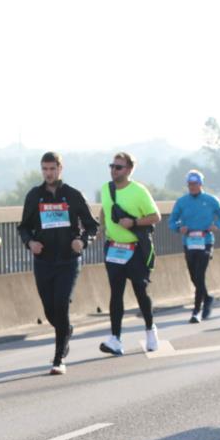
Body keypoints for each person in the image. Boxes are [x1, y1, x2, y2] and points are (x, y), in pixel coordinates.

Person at [17, 152, 99, 374]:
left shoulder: (73, 195)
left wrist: (82, 241)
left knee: (62, 305)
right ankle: (66, 330)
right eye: (45, 169)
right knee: (50, 311)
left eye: (52, 169)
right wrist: (30, 242)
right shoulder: (34, 196)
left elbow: (92, 225)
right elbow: (23, 227)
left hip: (68, 260)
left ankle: (58, 359)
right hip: (43, 261)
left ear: (60, 169)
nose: (48, 173)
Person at [98, 152, 161, 356]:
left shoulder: (139, 191)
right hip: (114, 248)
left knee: (140, 292)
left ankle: (150, 330)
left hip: (135, 250)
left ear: (129, 170)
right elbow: (105, 210)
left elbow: (155, 216)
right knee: (115, 294)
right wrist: (100, 229)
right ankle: (115, 339)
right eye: (112, 166)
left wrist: (133, 222)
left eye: (119, 167)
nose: (114, 170)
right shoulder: (106, 189)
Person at [168, 170, 220, 323]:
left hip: (205, 240)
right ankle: (207, 297)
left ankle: (196, 311)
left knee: (200, 274)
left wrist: (217, 225)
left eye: (194, 184)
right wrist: (178, 228)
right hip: (189, 242)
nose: (192, 187)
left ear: (201, 184)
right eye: (189, 184)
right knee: (193, 276)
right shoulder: (182, 201)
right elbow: (172, 221)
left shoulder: (210, 200)